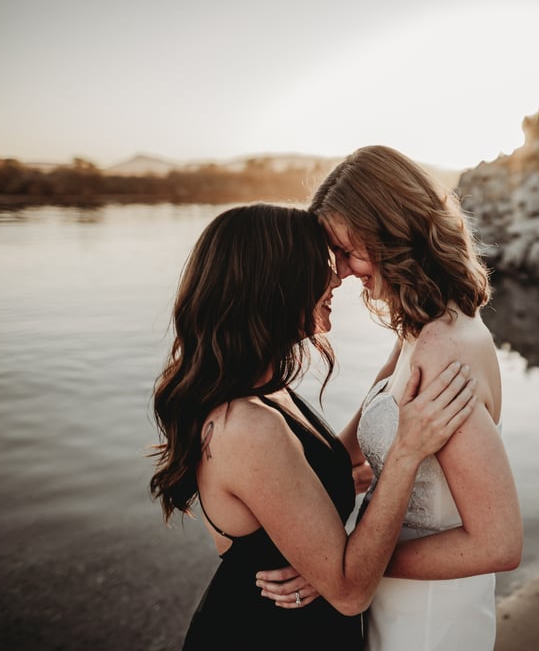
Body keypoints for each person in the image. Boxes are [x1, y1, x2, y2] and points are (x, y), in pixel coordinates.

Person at [148, 203, 477, 649]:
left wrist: (406, 350)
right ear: (275, 284)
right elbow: (349, 592)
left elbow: (331, 468)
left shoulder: (264, 392)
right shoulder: (245, 426)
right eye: (319, 266)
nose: (336, 278)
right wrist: (405, 453)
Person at [256, 146, 523, 650]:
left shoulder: (444, 354)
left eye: (349, 251)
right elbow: (355, 445)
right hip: (395, 596)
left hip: (429, 618)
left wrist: (344, 569)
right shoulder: (421, 330)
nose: (343, 271)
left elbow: (499, 543)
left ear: (394, 235)